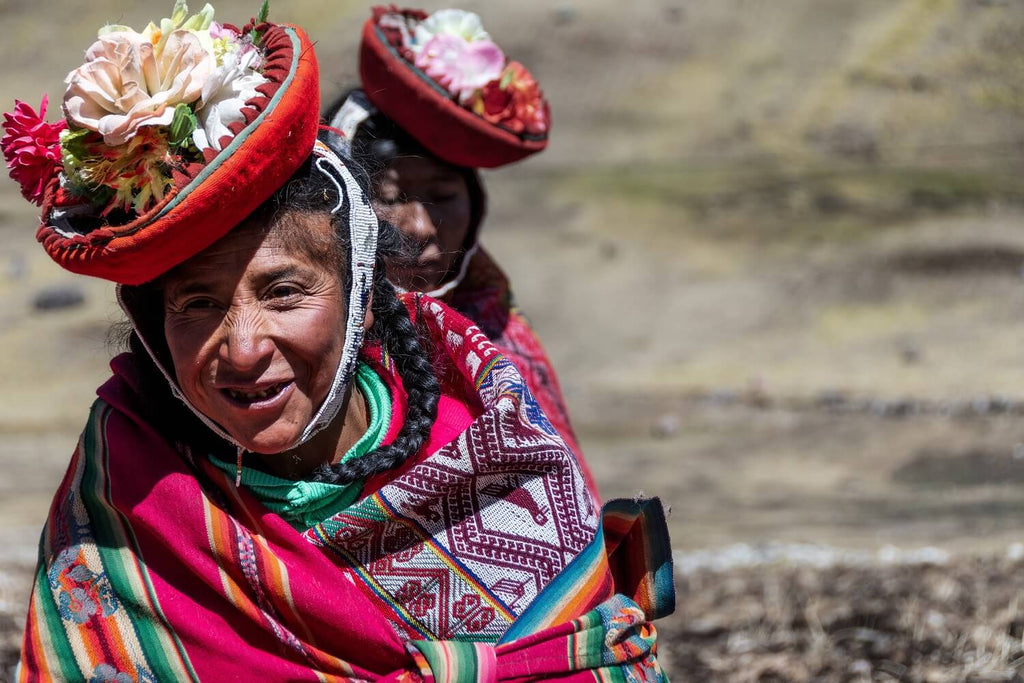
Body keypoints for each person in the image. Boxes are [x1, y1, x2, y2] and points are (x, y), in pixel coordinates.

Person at [5, 3, 673, 680]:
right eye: (198, 303)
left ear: (360, 294)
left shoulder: (493, 458)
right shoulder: (130, 487)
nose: (241, 348)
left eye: (284, 292)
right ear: (151, 327)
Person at [323, 7, 597, 496]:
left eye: (444, 197)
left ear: (477, 203)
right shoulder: (304, 343)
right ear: (342, 204)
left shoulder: (500, 334)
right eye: (389, 199)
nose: (422, 228)